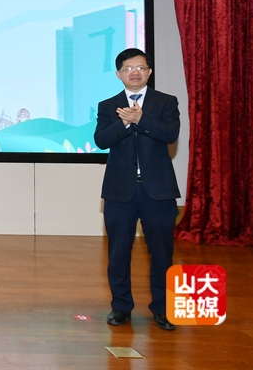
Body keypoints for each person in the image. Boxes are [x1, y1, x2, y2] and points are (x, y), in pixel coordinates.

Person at [94, 48, 180, 331]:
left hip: (159, 192)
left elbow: (170, 135)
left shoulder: (166, 102)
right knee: (118, 253)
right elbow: (101, 141)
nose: (135, 72)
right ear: (118, 74)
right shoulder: (108, 106)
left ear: (149, 72)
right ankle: (121, 307)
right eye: (128, 68)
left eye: (140, 67)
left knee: (162, 254)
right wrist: (123, 122)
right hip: (120, 192)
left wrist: (141, 119)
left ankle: (162, 309)